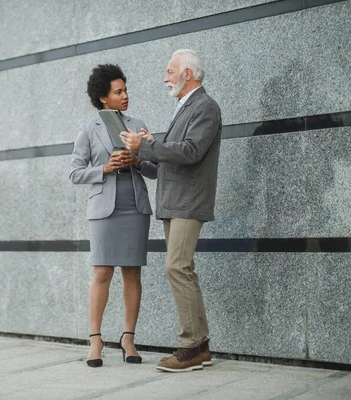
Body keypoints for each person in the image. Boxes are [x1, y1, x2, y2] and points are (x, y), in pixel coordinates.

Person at [120, 49, 222, 373]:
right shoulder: (184, 108)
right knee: (185, 269)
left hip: (189, 203)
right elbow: (168, 161)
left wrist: (146, 146)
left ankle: (189, 346)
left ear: (187, 74)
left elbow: (190, 152)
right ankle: (202, 346)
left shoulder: (205, 107)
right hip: (175, 201)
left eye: (169, 71)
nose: (165, 77)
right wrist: (142, 157)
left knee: (176, 268)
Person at [69, 64, 157, 368]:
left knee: (132, 273)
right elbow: (75, 173)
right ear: (103, 97)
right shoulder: (88, 128)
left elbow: (156, 170)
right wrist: (105, 167)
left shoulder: (138, 124)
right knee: (102, 272)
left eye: (125, 90)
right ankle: (95, 341)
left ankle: (128, 338)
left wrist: (136, 160)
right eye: (118, 91)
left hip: (134, 205)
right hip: (104, 209)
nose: (125, 96)